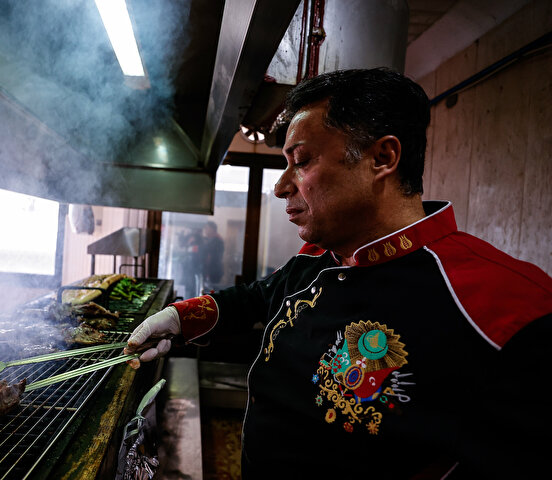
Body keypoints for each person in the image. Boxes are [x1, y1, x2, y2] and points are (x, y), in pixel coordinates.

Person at [125, 68, 552, 478]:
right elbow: (258, 297)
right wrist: (181, 319)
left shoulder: (506, 308)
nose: (280, 186)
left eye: (302, 161)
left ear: (382, 158)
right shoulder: (317, 257)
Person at [200, 221, 224, 289]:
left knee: (212, 291)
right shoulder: (209, 240)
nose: (205, 230)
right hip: (208, 271)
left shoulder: (217, 241)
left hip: (214, 272)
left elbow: (214, 256)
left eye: (206, 228)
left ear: (212, 229)